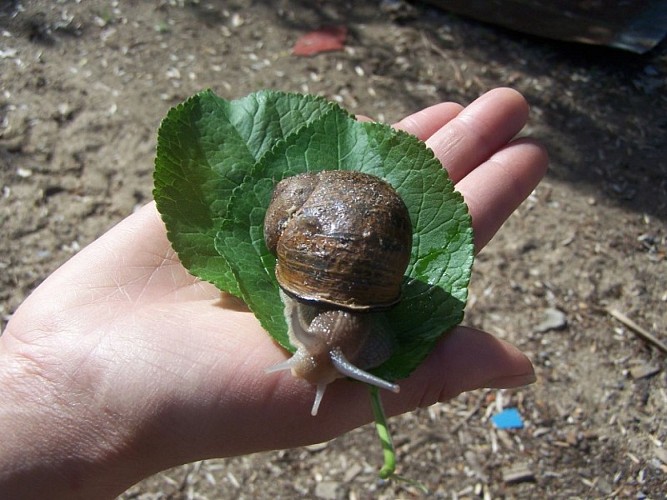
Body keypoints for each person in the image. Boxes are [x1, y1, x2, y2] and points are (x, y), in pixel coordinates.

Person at [0, 88, 548, 498]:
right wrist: (51, 391)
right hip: (329, 255)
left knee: (338, 331)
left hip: (341, 263)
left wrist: (48, 390)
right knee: (338, 332)